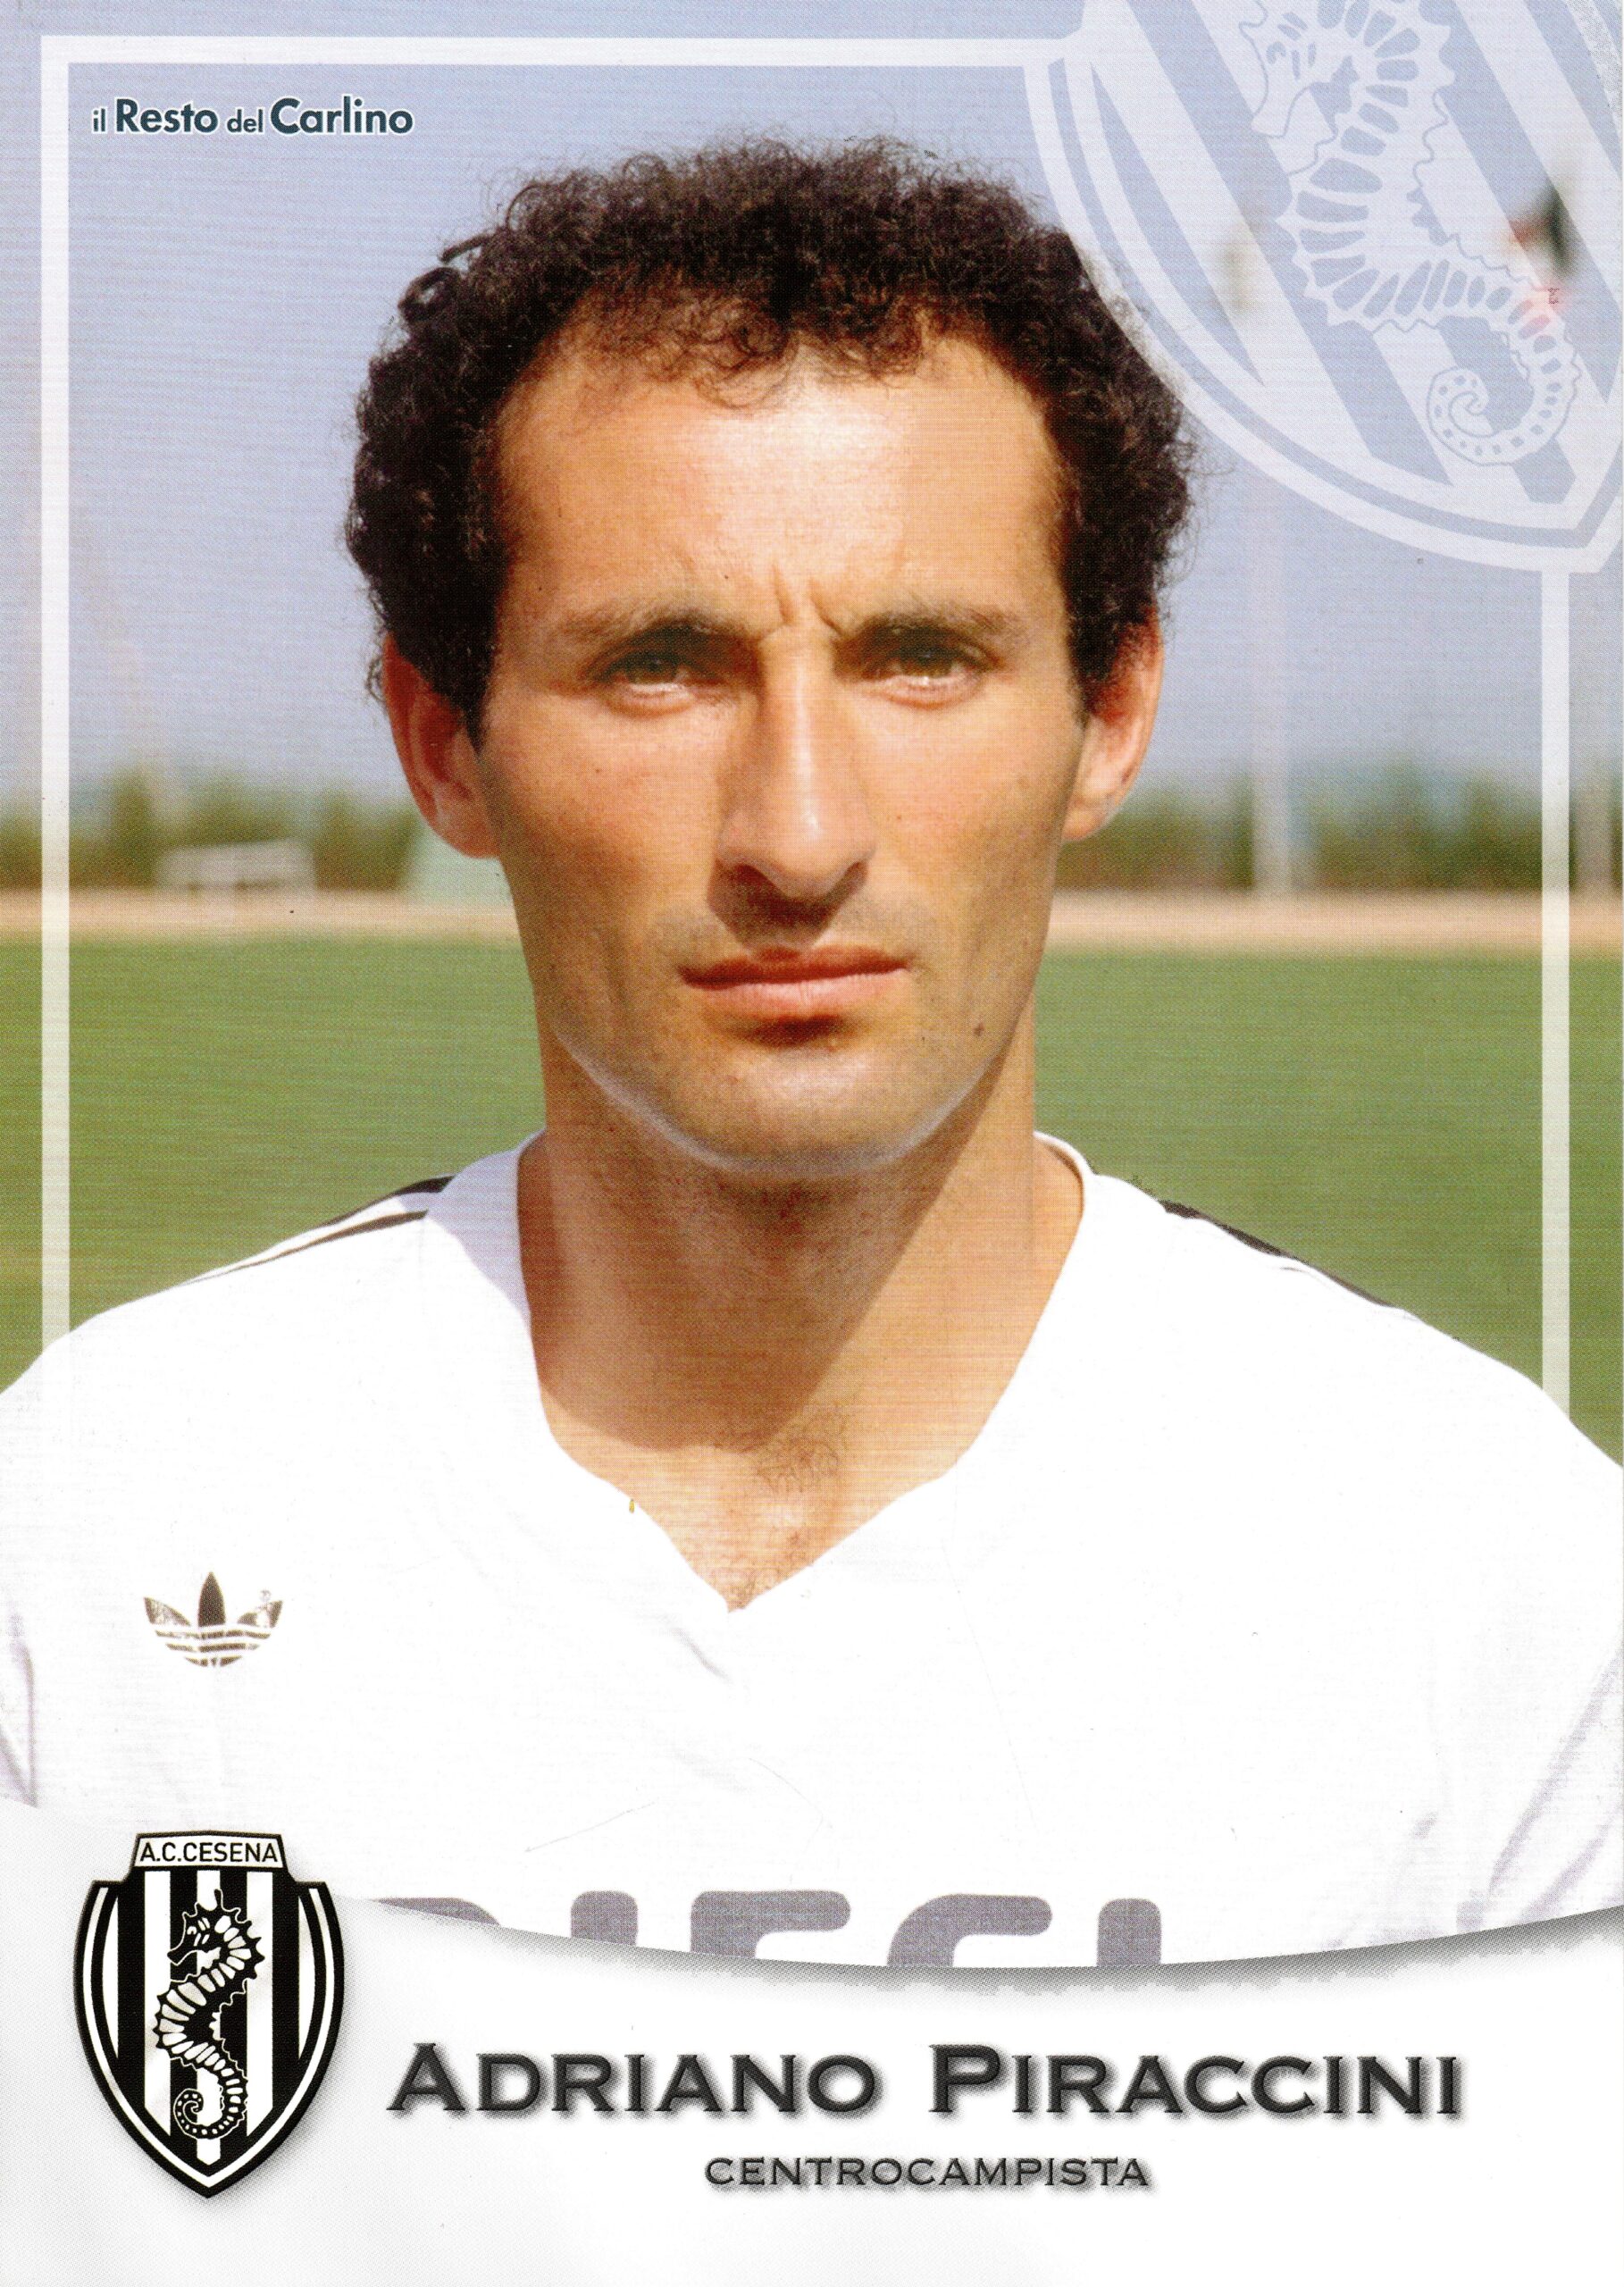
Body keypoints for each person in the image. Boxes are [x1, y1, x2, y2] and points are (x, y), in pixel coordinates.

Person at [1, 141, 1617, 1969]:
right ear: (443, 744)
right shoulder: (98, 1520)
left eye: (921, 657)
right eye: (660, 665)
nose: (798, 831)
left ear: (1110, 713)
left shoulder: (1481, 1561)